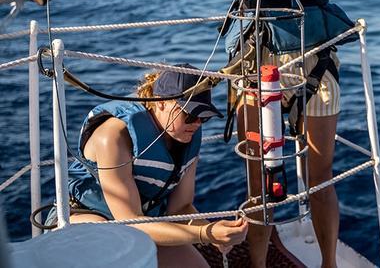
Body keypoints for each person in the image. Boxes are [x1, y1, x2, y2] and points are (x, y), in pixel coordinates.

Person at [160, 0, 378, 267]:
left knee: (319, 176)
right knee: (258, 177)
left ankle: (328, 262)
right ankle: (257, 265)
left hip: (312, 66)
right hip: (253, 69)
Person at [63, 65, 248, 267]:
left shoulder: (188, 134)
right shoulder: (113, 137)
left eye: (203, 117)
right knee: (113, 247)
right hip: (88, 218)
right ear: (160, 102)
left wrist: (213, 231)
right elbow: (130, 221)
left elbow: (180, 207)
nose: (197, 124)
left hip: (146, 222)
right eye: (190, 114)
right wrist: (204, 234)